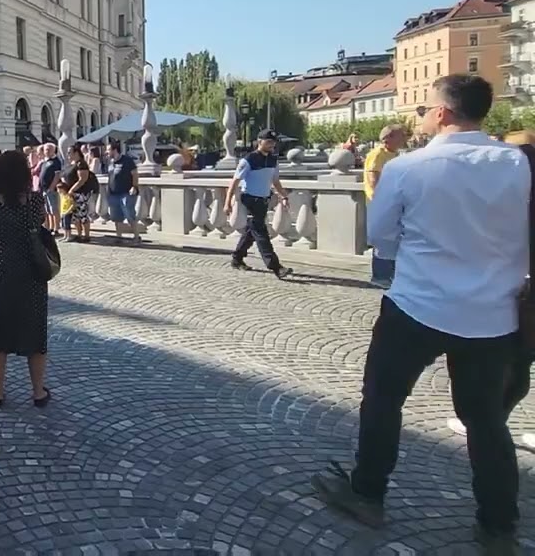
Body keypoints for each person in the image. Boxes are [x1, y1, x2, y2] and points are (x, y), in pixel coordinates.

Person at [310, 74, 527, 553]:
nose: (421, 118)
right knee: (486, 420)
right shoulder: (517, 162)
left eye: (424, 110)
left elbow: (382, 236)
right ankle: (498, 528)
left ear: (444, 113)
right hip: (492, 313)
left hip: (418, 304)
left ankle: (368, 492)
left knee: (383, 400)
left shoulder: (409, 168)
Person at [0, 150, 50, 408]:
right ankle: (38, 391)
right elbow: (41, 224)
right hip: (31, 274)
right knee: (34, 333)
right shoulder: (34, 201)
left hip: (0, 273)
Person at [223, 129, 292, 279]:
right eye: (268, 142)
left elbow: (275, 181)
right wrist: (227, 202)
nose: (272, 145)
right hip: (250, 199)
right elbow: (235, 182)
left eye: (273, 142)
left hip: (263, 200)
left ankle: (237, 258)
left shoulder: (273, 159)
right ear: (259, 142)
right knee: (261, 233)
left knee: (251, 231)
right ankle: (276, 267)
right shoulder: (248, 160)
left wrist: (284, 196)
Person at [363, 124, 407, 289]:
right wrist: (380, 200)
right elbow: (373, 180)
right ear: (388, 138)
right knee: (382, 240)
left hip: (392, 201)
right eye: (400, 135)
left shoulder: (394, 155)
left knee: (393, 239)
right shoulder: (377, 155)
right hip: (380, 202)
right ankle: (380, 276)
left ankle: (390, 275)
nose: (404, 138)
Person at [103, 141, 141, 241]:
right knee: (116, 216)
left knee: (129, 214)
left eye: (108, 150)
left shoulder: (127, 161)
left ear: (115, 150)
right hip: (113, 193)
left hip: (126, 192)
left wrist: (134, 186)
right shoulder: (110, 162)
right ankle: (119, 236)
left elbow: (135, 174)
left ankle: (136, 236)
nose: (106, 152)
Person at [63, 148, 95, 243]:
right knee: (75, 216)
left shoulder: (81, 164)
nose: (68, 154)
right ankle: (79, 234)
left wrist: (72, 189)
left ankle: (86, 235)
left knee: (83, 215)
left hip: (81, 193)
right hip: (72, 194)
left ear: (76, 153)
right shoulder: (72, 164)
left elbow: (82, 179)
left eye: (70, 152)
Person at [36, 144, 63, 233]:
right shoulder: (45, 162)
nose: (46, 151)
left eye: (48, 150)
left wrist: (51, 187)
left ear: (53, 150)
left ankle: (56, 228)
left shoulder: (56, 161)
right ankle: (50, 227)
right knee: (48, 210)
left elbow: (57, 175)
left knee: (54, 209)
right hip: (43, 189)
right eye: (45, 150)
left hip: (51, 189)